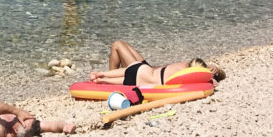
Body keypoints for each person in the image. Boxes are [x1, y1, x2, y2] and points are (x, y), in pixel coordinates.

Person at [88, 40, 226, 86]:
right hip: (149, 70)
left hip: (145, 70)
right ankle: (106, 78)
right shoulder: (187, 72)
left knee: (117, 45)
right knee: (120, 45)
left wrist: (216, 73)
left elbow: (207, 78)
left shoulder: (186, 69)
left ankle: (107, 80)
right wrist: (214, 72)